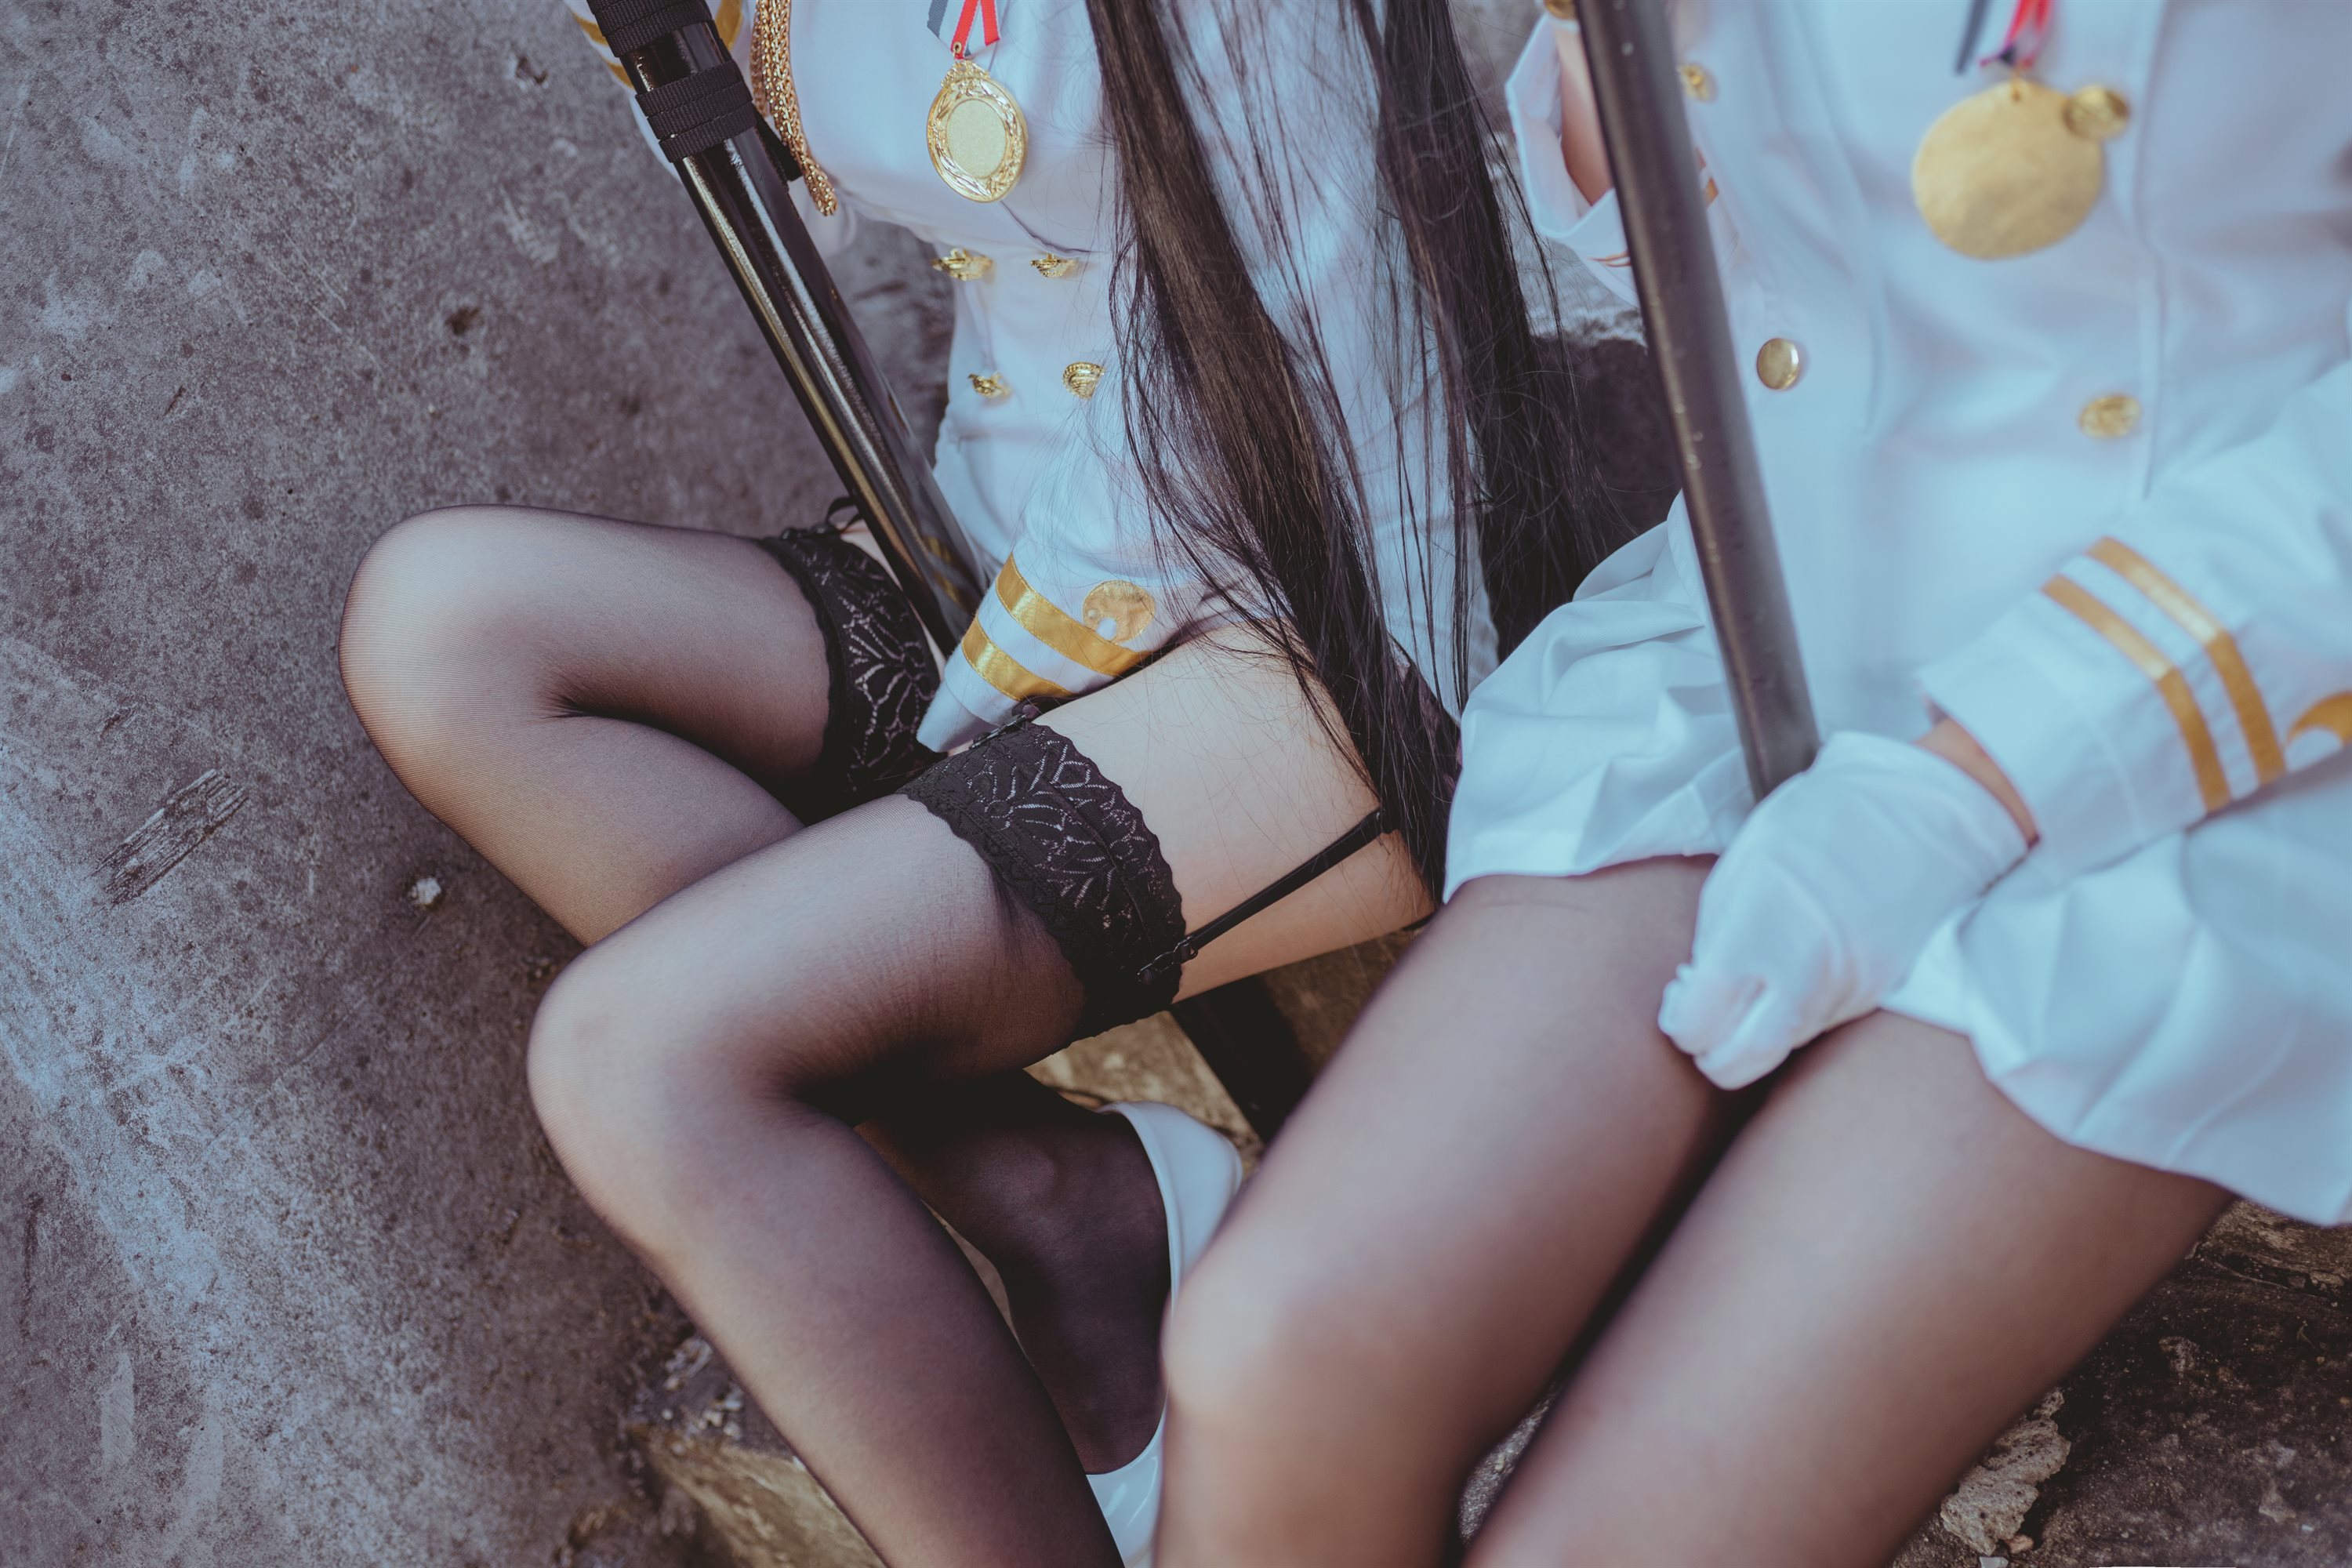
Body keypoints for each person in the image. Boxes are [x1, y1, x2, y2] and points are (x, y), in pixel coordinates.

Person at [334, 0, 1606, 1563]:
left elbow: (1297, 312)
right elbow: (826, 169)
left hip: (1315, 589)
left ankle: (1072, 1276)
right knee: (450, 633)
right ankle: (1053, 1195)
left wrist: (998, 692)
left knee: (639, 1060)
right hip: (1013, 540)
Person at [1155, 2, 2352, 1565]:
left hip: (2230, 697)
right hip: (1776, 619)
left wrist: (1972, 786)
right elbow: (1704, 255)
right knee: (1280, 1362)